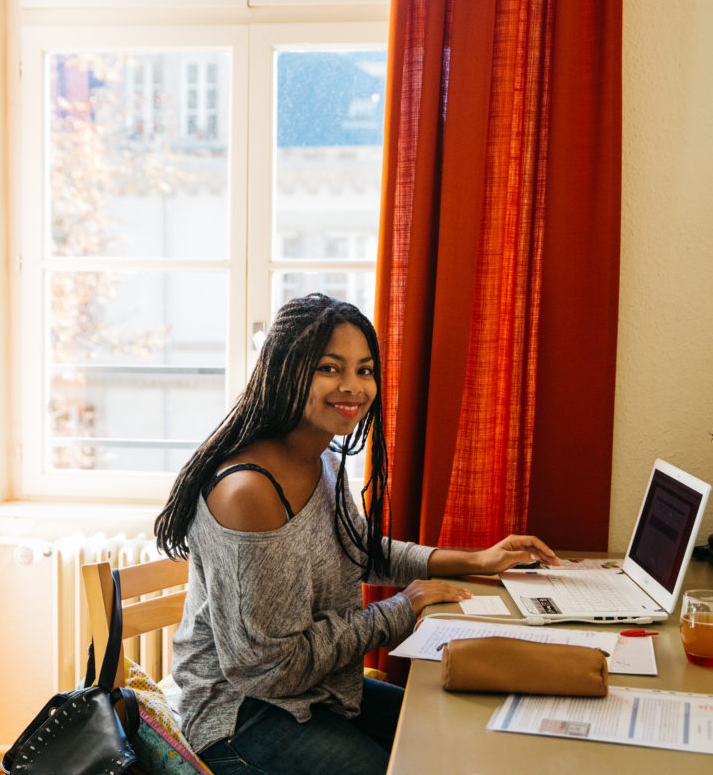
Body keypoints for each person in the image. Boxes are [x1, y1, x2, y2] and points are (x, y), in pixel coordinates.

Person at [154, 293, 560, 775]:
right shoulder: (249, 492)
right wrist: (400, 610)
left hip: (320, 687)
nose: (353, 387)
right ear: (285, 370)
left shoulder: (321, 456)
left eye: (365, 370)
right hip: (243, 715)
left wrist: (474, 560)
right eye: (331, 367)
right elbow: (269, 670)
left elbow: (358, 550)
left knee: (462, 737)